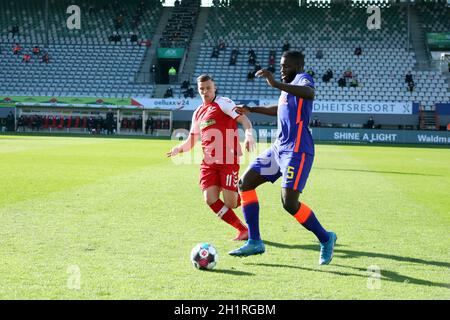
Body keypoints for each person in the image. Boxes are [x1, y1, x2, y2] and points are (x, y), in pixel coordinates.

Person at [229, 51, 337, 265]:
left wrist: (275, 83)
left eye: (286, 66)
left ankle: (326, 238)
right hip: (279, 149)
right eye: (280, 65)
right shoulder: (287, 88)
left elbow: (309, 93)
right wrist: (253, 109)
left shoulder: (303, 79)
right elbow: (279, 110)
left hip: (297, 151)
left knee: (289, 203)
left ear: (298, 66)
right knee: (245, 183)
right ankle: (255, 241)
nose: (282, 69)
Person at [167, 74, 256, 241]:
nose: (205, 91)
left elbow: (245, 121)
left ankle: (244, 191)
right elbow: (191, 140)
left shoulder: (223, 103)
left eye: (208, 88)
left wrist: (249, 135)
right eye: (202, 89)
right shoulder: (198, 113)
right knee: (210, 198)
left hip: (228, 159)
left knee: (230, 203)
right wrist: (179, 148)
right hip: (209, 163)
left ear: (214, 87)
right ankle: (243, 230)